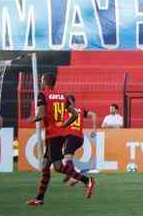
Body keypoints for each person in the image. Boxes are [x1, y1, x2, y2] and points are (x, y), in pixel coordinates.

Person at [27, 73, 94, 206]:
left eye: (41, 81)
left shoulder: (43, 95)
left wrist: (32, 119)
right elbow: (74, 114)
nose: (41, 83)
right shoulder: (63, 96)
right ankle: (39, 199)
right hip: (59, 134)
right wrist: (64, 125)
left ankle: (86, 180)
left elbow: (41, 114)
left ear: (44, 82)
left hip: (53, 135)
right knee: (46, 166)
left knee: (57, 167)